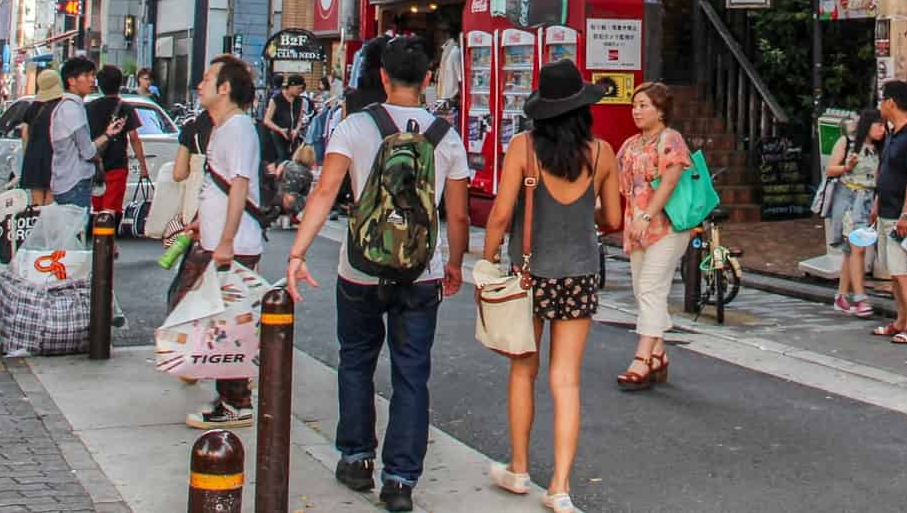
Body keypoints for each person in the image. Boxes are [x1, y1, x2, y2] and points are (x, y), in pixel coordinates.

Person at [285, 36, 469, 511]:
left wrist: (297, 254)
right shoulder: (447, 136)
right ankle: (401, 480)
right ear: (429, 79)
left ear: (383, 77)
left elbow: (325, 192)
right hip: (421, 271)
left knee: (356, 360)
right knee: (412, 374)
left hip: (361, 268)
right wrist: (453, 263)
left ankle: (355, 457)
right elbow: (459, 214)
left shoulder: (354, 127)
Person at [481, 60, 622, 511]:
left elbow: (501, 215)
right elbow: (614, 220)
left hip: (529, 275)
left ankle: (519, 470)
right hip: (579, 275)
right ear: (582, 109)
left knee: (524, 371)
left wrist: (485, 262)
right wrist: (586, 217)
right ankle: (560, 486)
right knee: (567, 381)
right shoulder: (602, 153)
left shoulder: (523, 148)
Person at [185, 54, 267, 432]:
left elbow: (239, 186)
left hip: (232, 246)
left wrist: (227, 241)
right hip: (218, 241)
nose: (199, 85)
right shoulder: (225, 127)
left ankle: (236, 402)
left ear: (225, 88)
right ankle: (226, 394)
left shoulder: (238, 129)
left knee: (230, 324)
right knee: (220, 320)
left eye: (207, 78)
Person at [614, 83, 692, 391]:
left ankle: (642, 358)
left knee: (650, 288)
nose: (637, 110)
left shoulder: (670, 139)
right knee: (642, 289)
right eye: (635, 105)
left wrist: (647, 215)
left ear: (661, 110)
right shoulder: (630, 144)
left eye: (644, 105)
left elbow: (670, 182)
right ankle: (658, 353)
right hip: (636, 226)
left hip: (666, 226)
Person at [870, 81, 907, 345]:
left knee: (903, 270)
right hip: (887, 210)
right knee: (894, 270)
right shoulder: (894, 133)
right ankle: (901, 320)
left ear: (891, 102)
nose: (880, 105)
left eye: (883, 100)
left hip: (903, 216)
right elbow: (888, 172)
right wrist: (877, 202)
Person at [826, 111, 882, 317]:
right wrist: (846, 167)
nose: (882, 130)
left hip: (867, 201)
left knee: (851, 250)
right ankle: (860, 298)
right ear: (868, 125)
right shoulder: (847, 142)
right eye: (879, 125)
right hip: (849, 200)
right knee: (858, 248)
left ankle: (841, 296)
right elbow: (830, 169)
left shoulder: (879, 149)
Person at [48, 56, 121, 209]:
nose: (92, 80)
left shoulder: (67, 106)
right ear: (71, 80)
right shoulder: (72, 109)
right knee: (74, 229)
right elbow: (87, 152)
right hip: (75, 183)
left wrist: (107, 134)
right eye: (87, 76)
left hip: (65, 180)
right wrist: (99, 156)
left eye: (93, 75)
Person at [86, 64, 149, 215]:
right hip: (117, 163)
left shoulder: (88, 107)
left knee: (96, 207)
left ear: (100, 85)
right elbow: (134, 137)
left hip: (94, 164)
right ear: (120, 84)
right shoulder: (125, 108)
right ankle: (106, 236)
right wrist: (143, 166)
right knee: (111, 208)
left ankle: (96, 235)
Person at [19, 68, 65, 205]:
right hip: (54, 155)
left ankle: (37, 223)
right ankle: (48, 225)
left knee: (36, 200)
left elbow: (24, 133)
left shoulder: (33, 108)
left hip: (34, 156)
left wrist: (27, 153)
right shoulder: (61, 107)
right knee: (51, 196)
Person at [262, 74, 309, 165]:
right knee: (281, 159)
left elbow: (299, 120)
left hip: (292, 137)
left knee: (292, 160)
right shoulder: (276, 99)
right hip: (277, 136)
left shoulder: (299, 100)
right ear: (291, 86)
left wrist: (296, 130)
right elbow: (267, 120)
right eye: (298, 88)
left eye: (301, 88)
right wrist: (279, 129)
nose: (300, 91)